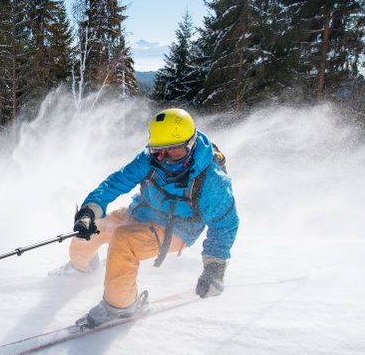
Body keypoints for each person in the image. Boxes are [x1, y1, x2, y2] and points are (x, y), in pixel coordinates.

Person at [60, 108, 239, 331]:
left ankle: (120, 306)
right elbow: (116, 182)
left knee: (124, 241)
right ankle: (81, 266)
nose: (164, 159)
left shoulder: (211, 179)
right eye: (157, 152)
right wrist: (89, 211)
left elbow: (225, 223)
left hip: (178, 229)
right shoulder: (149, 160)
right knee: (94, 227)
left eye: (173, 151)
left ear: (191, 144)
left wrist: (214, 268)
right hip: (141, 211)